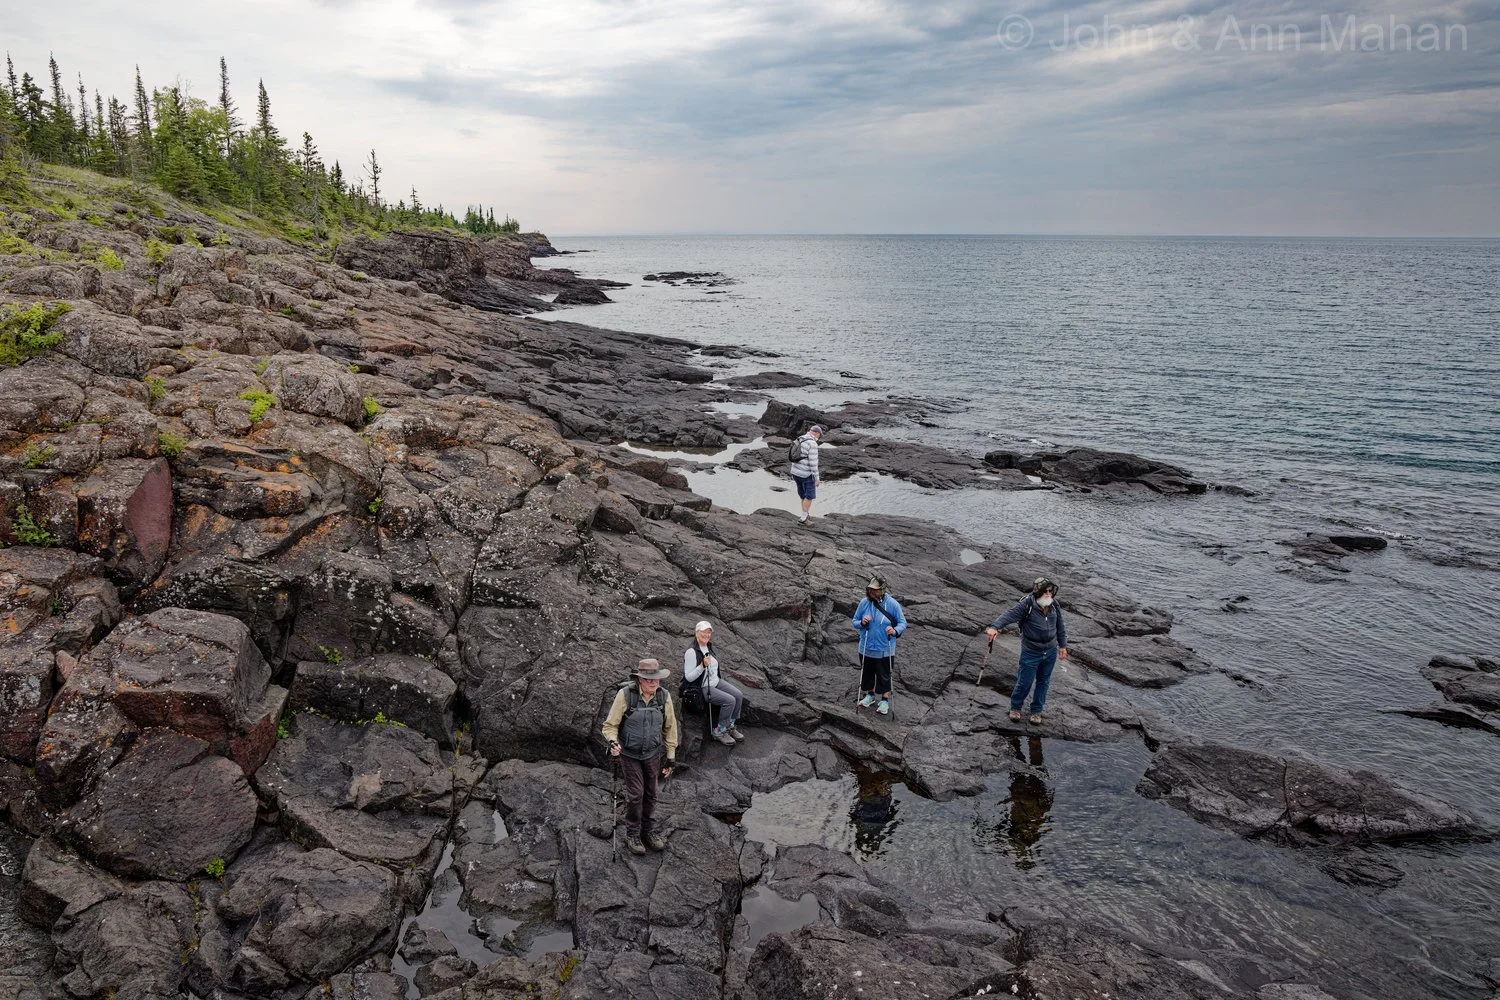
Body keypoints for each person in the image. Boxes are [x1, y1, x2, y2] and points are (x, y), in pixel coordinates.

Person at [601, 659, 680, 855]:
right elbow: (610, 726)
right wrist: (613, 741)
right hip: (630, 754)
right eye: (649, 679)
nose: (654, 683)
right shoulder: (625, 695)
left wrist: (671, 756)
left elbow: (670, 728)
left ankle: (648, 832)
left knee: (652, 793)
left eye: (656, 679)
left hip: (653, 753)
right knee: (636, 795)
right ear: (639, 680)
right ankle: (633, 833)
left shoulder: (664, 697)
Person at [985, 577, 1068, 725]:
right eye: (1045, 591)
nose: (1048, 594)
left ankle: (1036, 711)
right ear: (1037, 592)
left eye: (1050, 591)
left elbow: (1060, 626)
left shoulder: (1054, 605)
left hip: (1050, 651)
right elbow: (1009, 614)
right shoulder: (1027, 604)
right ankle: (1015, 708)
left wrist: (1062, 646)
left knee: (1044, 681)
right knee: (1025, 681)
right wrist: (994, 627)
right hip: (1031, 651)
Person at [683, 620, 746, 747]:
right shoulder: (691, 652)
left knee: (738, 695)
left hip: (715, 681)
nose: (706, 635)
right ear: (696, 633)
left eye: (708, 632)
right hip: (702, 687)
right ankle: (719, 731)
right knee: (730, 700)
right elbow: (688, 678)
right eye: (703, 632)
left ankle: (729, 725)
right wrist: (702, 666)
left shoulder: (708, 646)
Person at [852, 575, 906, 715]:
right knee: (867, 673)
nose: (871, 592)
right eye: (870, 589)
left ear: (881, 590)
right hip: (866, 646)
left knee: (884, 675)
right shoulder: (864, 603)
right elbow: (855, 621)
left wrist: (894, 631)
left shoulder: (893, 604)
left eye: (874, 590)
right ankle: (870, 695)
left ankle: (884, 700)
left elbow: (902, 623)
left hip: (885, 648)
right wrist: (862, 623)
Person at [789, 424, 823, 523]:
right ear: (816, 433)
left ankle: (805, 514)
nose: (818, 438)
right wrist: (817, 478)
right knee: (809, 496)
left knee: (803, 495)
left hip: (795, 472)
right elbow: (813, 463)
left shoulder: (800, 438)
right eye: (819, 436)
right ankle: (804, 518)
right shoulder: (812, 444)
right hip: (806, 474)